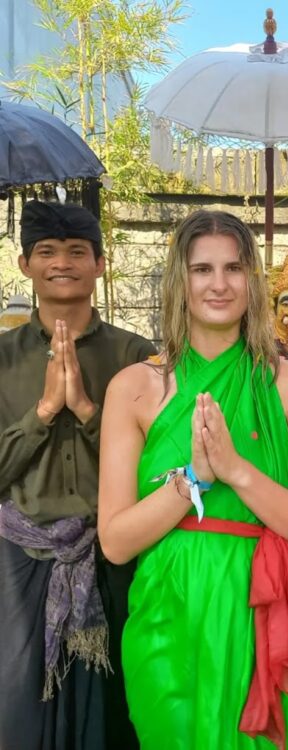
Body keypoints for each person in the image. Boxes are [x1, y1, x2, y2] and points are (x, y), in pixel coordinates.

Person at [98, 209, 288, 750]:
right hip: (167, 611)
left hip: (258, 609)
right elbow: (115, 541)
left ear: (254, 281)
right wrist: (193, 481)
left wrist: (235, 471)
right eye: (203, 269)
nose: (219, 284)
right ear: (181, 282)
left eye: (234, 268)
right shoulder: (135, 388)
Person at [0, 200, 156, 750]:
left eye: (76, 252)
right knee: (19, 716)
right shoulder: (2, 358)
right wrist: (42, 413)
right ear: (24, 264)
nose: (61, 263)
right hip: (20, 564)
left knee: (113, 715)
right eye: (46, 252)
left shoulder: (138, 359)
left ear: (100, 264)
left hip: (112, 554)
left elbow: (157, 469)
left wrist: (91, 411)